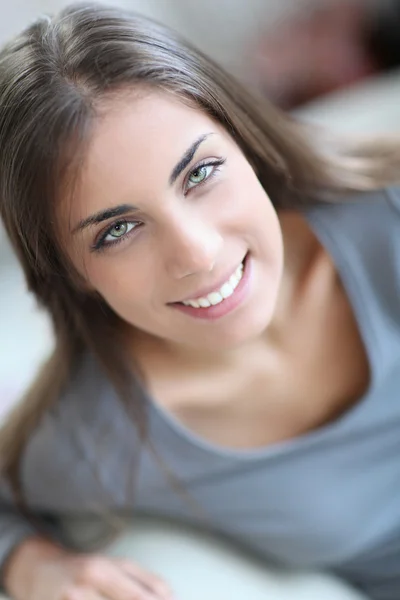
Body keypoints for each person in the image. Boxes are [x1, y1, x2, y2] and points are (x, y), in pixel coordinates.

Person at [0, 3, 399, 599]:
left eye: (200, 173)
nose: (198, 253)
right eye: (116, 232)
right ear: (70, 274)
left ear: (243, 140)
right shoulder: (101, 437)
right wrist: (29, 564)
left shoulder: (388, 218)